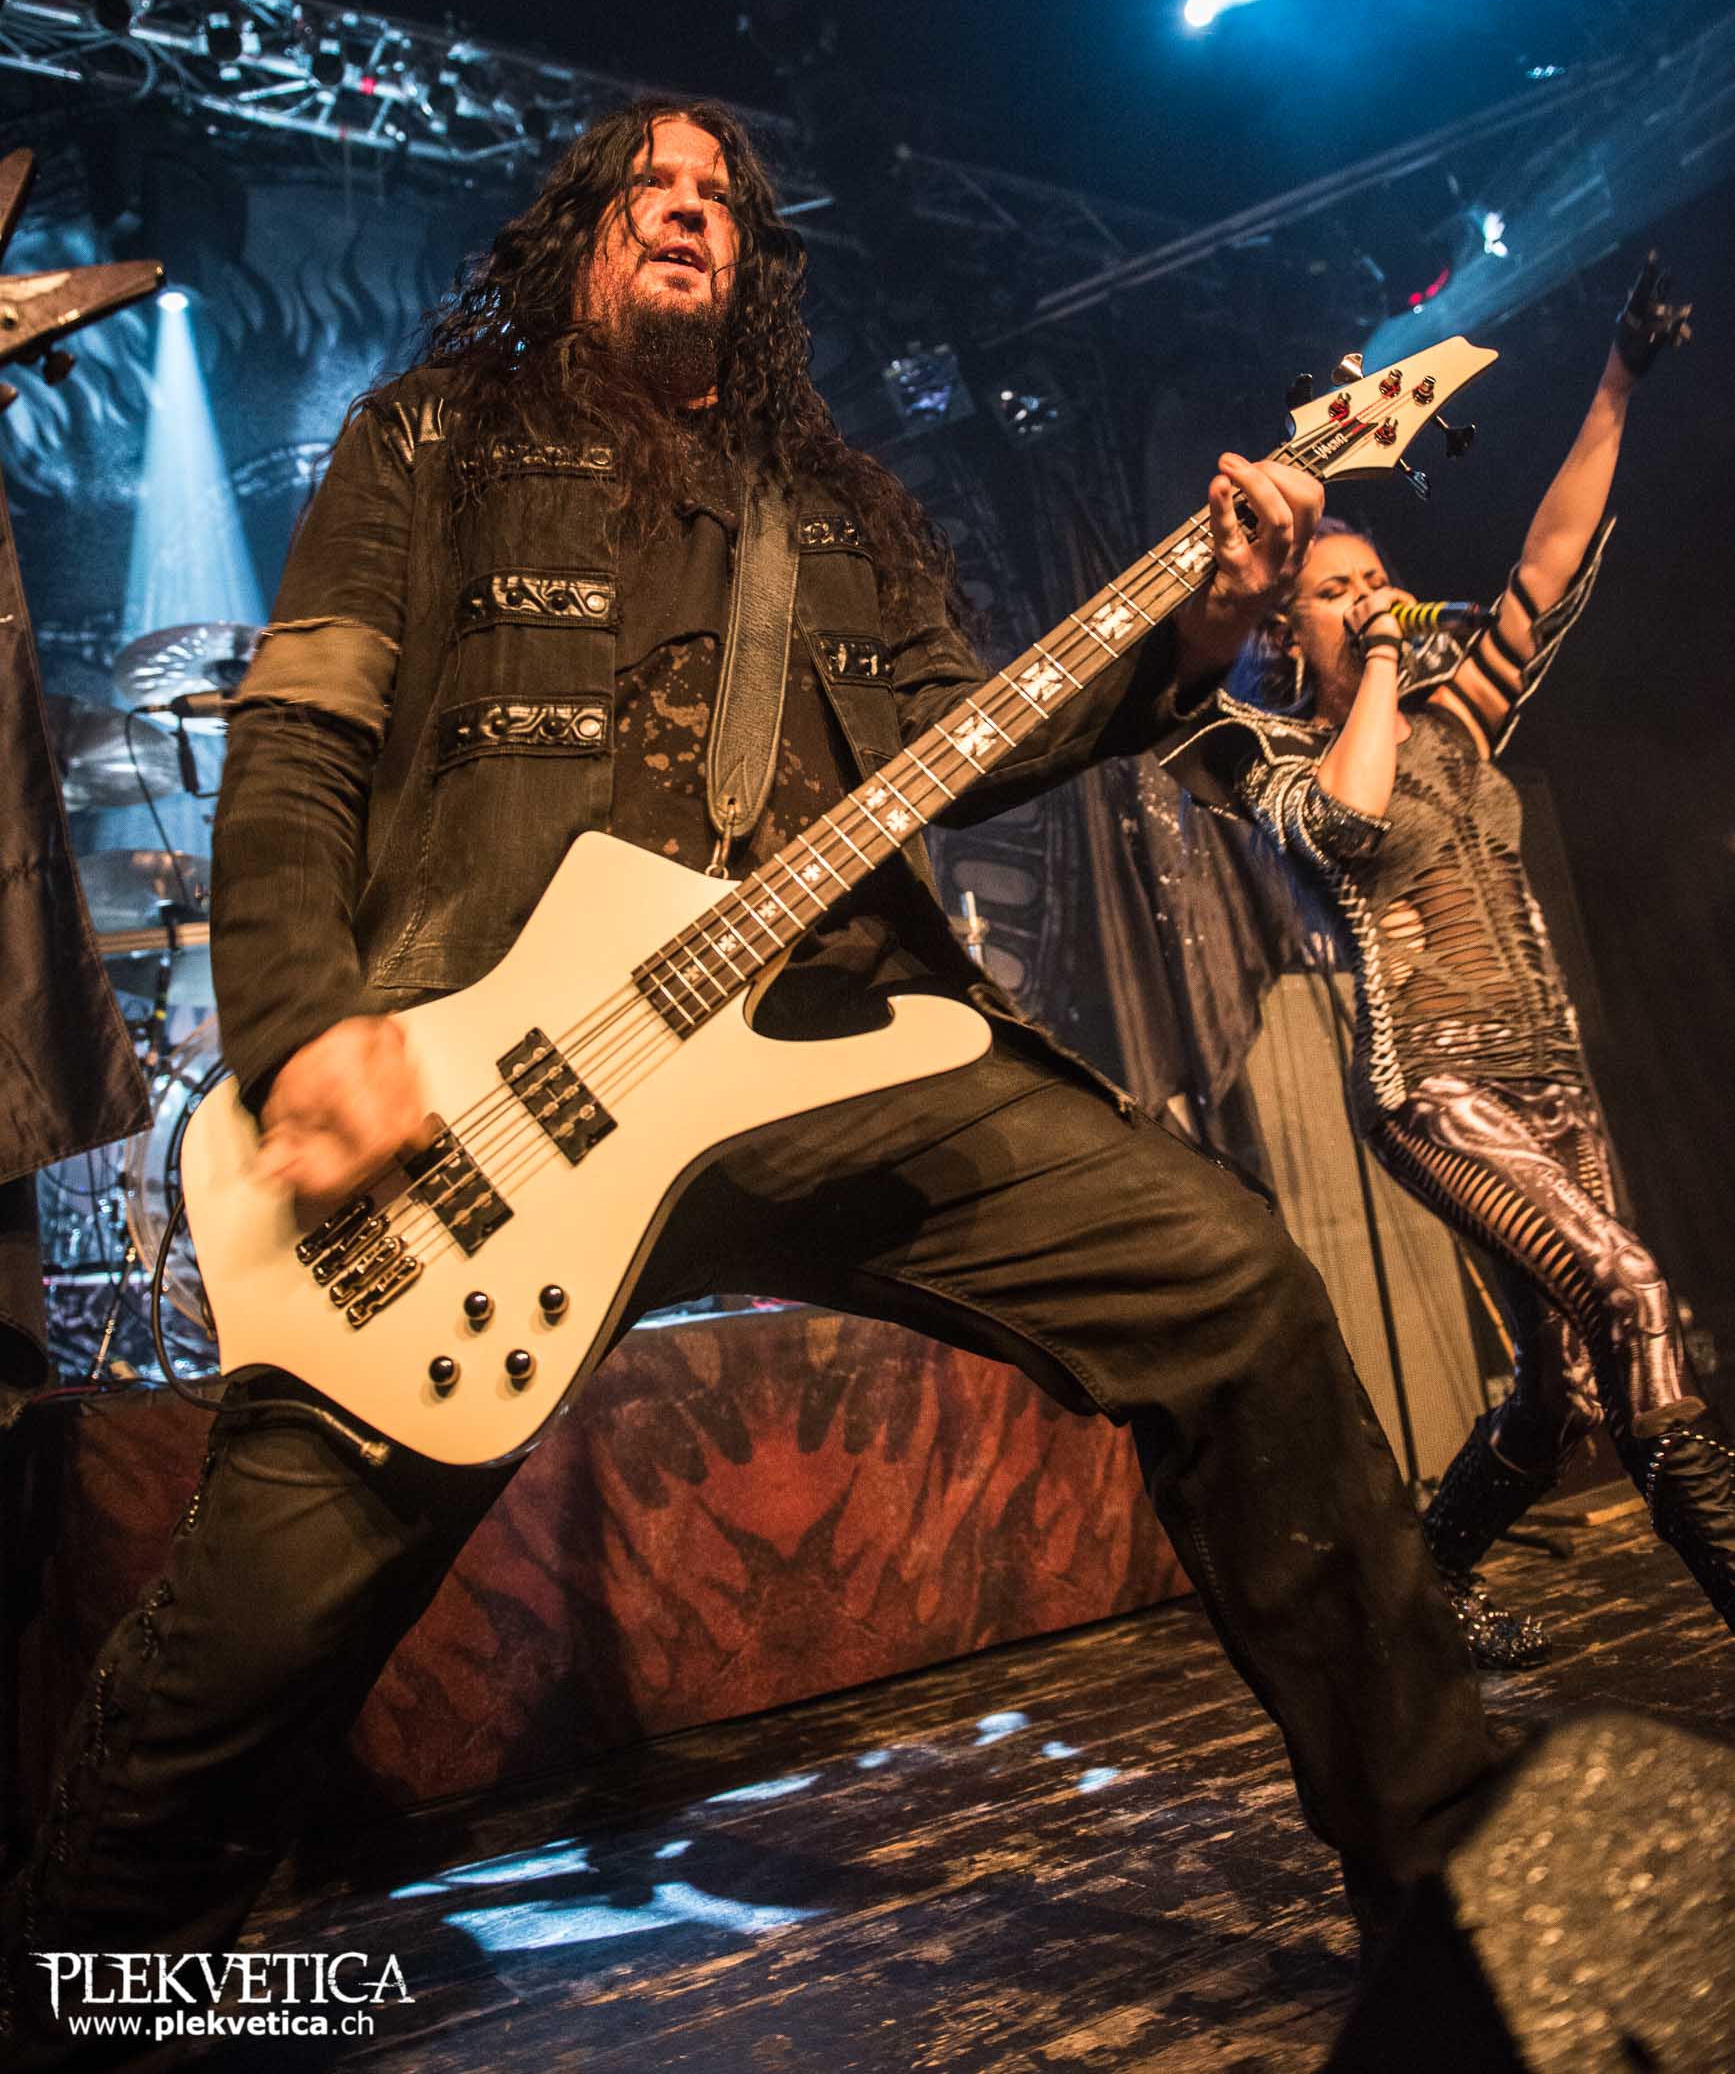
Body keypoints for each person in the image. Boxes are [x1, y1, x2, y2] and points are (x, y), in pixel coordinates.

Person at [5, 101, 1499, 2056]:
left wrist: (1205, 620)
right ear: (577, 233)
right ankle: (76, 2006)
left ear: (756, 265)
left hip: (834, 1041)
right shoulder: (432, 438)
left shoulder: (841, 507)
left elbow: (984, 739)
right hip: (497, 1087)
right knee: (266, 1612)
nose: (687, 208)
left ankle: (1454, 1895)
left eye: (720, 195)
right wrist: (303, 1030)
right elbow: (296, 743)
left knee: (1227, 1287)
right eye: (648, 185)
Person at [1167, 257, 1731, 1668]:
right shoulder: (1271, 758)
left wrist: (1616, 384)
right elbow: (1352, 824)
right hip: (1435, 1086)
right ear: (1288, 626)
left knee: (1562, 1392)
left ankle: (1420, 1599)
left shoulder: (1462, 720)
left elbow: (1546, 564)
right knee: (1635, 1296)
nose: (1372, 598)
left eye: (1380, 581)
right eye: (1336, 590)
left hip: (1554, 1076)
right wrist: (1373, 665)